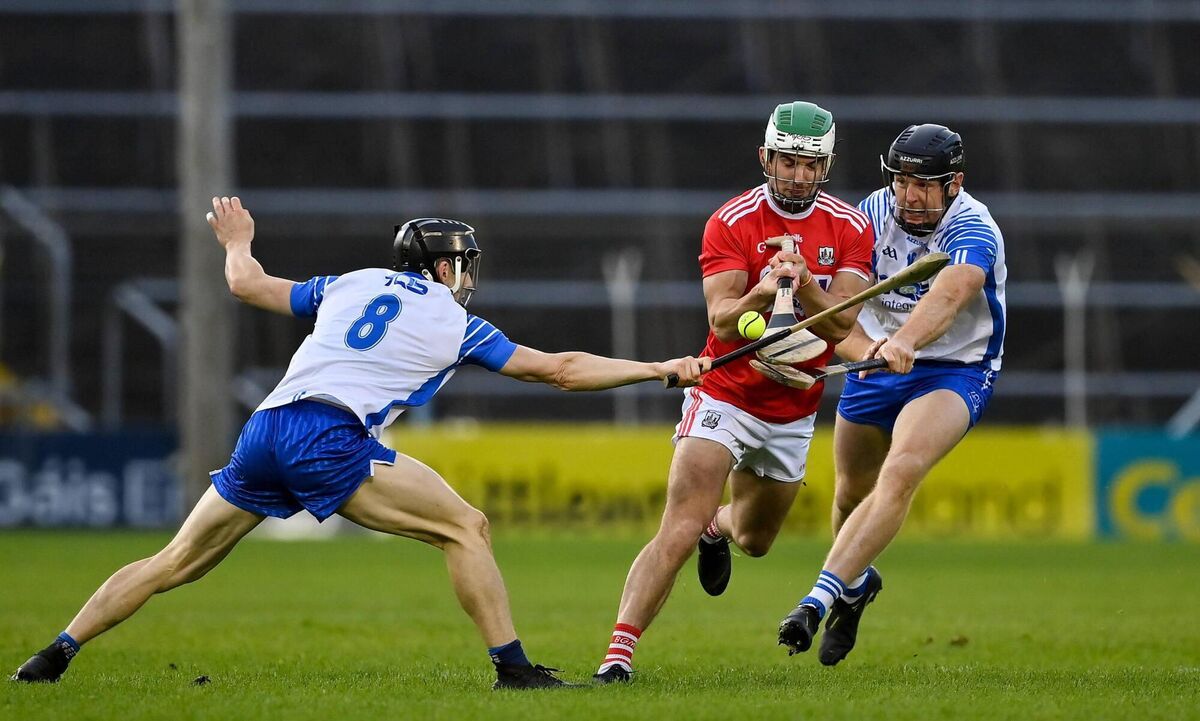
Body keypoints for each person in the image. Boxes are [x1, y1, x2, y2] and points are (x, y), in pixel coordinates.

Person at [11, 197, 707, 690]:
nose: (465, 277)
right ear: (438, 269)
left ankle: (55, 652)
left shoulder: (350, 283)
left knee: (175, 561)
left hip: (267, 426)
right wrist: (658, 369)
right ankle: (514, 669)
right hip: (328, 435)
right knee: (466, 527)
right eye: (460, 265)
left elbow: (246, 283)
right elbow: (559, 369)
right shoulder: (449, 320)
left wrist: (235, 239)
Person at [592, 101, 875, 683]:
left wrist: (806, 286)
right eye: (788, 161)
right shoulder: (732, 220)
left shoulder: (851, 227)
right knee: (678, 524)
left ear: (828, 167)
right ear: (766, 157)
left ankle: (718, 530)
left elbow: (842, 327)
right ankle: (617, 658)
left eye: (811, 165)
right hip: (723, 394)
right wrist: (766, 289)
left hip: (793, 410)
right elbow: (722, 322)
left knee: (756, 539)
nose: (798, 176)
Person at [776, 124, 1007, 665]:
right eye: (903, 181)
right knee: (849, 498)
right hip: (874, 362)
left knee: (901, 470)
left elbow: (950, 294)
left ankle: (817, 599)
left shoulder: (973, 227)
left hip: (953, 369)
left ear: (955, 184)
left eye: (926, 184)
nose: (912, 195)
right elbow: (839, 304)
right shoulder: (869, 216)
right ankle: (856, 591)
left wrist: (904, 341)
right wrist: (858, 345)